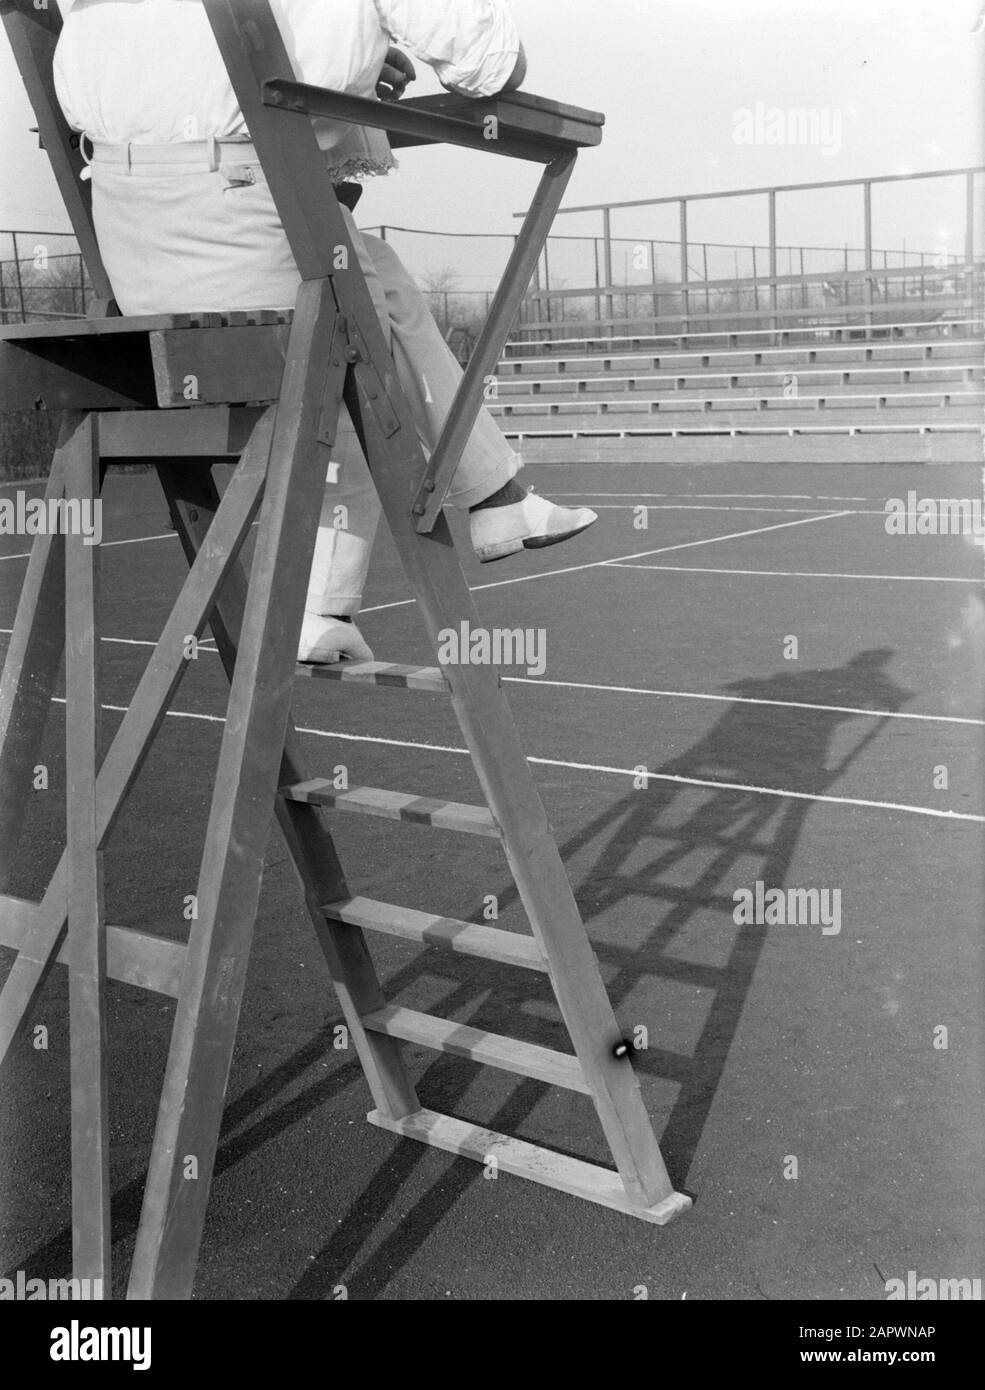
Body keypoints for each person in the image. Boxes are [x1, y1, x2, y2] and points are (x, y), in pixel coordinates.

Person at [52, 0, 597, 663]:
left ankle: (492, 496)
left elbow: (187, 60)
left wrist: (350, 60)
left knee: (375, 281)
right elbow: (488, 63)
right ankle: (364, 578)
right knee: (356, 356)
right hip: (240, 236)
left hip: (134, 253)